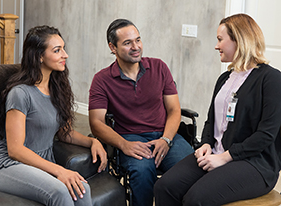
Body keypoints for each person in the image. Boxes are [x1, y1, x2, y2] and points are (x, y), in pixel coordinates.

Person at [154, 13, 281, 206]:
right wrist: (205, 144)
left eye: (220, 39)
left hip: (254, 163)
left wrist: (224, 157)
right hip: (216, 153)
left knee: (196, 199)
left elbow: (266, 135)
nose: (216, 46)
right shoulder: (225, 78)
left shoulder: (271, 79)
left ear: (238, 40)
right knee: (164, 187)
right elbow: (211, 121)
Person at [0, 25, 107, 206]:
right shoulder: (20, 93)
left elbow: (63, 132)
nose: (65, 55)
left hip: (34, 163)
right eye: (57, 50)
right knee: (61, 192)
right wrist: (60, 171)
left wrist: (93, 141)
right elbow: (15, 150)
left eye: (63, 48)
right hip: (5, 165)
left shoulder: (57, 89)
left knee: (82, 189)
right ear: (40, 56)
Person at [88, 18, 194, 206]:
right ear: (113, 48)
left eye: (138, 40)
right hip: (130, 138)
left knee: (191, 167)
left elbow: (174, 109)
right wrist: (123, 144)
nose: (135, 47)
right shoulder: (102, 80)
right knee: (143, 172)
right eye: (127, 43)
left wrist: (166, 139)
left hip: (165, 135)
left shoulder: (159, 67)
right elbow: (96, 122)